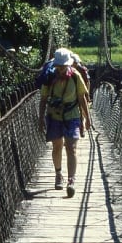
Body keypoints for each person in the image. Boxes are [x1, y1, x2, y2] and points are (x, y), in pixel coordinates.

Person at [38, 47, 91, 198]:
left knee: (71, 148)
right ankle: (58, 174)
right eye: (59, 67)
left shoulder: (75, 76)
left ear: (69, 64)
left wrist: (87, 118)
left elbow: (82, 98)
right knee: (57, 146)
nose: (61, 69)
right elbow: (43, 99)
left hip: (72, 116)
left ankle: (71, 181)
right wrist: (40, 118)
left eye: (63, 66)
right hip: (54, 115)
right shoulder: (49, 77)